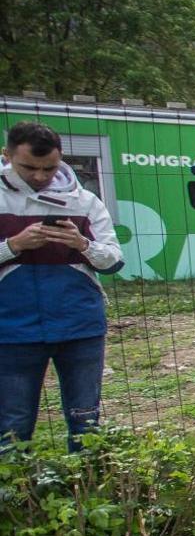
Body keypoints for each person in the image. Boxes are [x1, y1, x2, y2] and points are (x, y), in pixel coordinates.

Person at [0, 121, 124, 449]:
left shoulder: (85, 202)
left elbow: (113, 260)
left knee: (86, 420)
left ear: (61, 158)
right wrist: (13, 245)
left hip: (80, 326)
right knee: (13, 424)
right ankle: (16, 497)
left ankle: (87, 487)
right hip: (11, 329)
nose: (40, 176)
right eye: (29, 167)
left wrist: (83, 244)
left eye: (50, 168)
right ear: (7, 155)